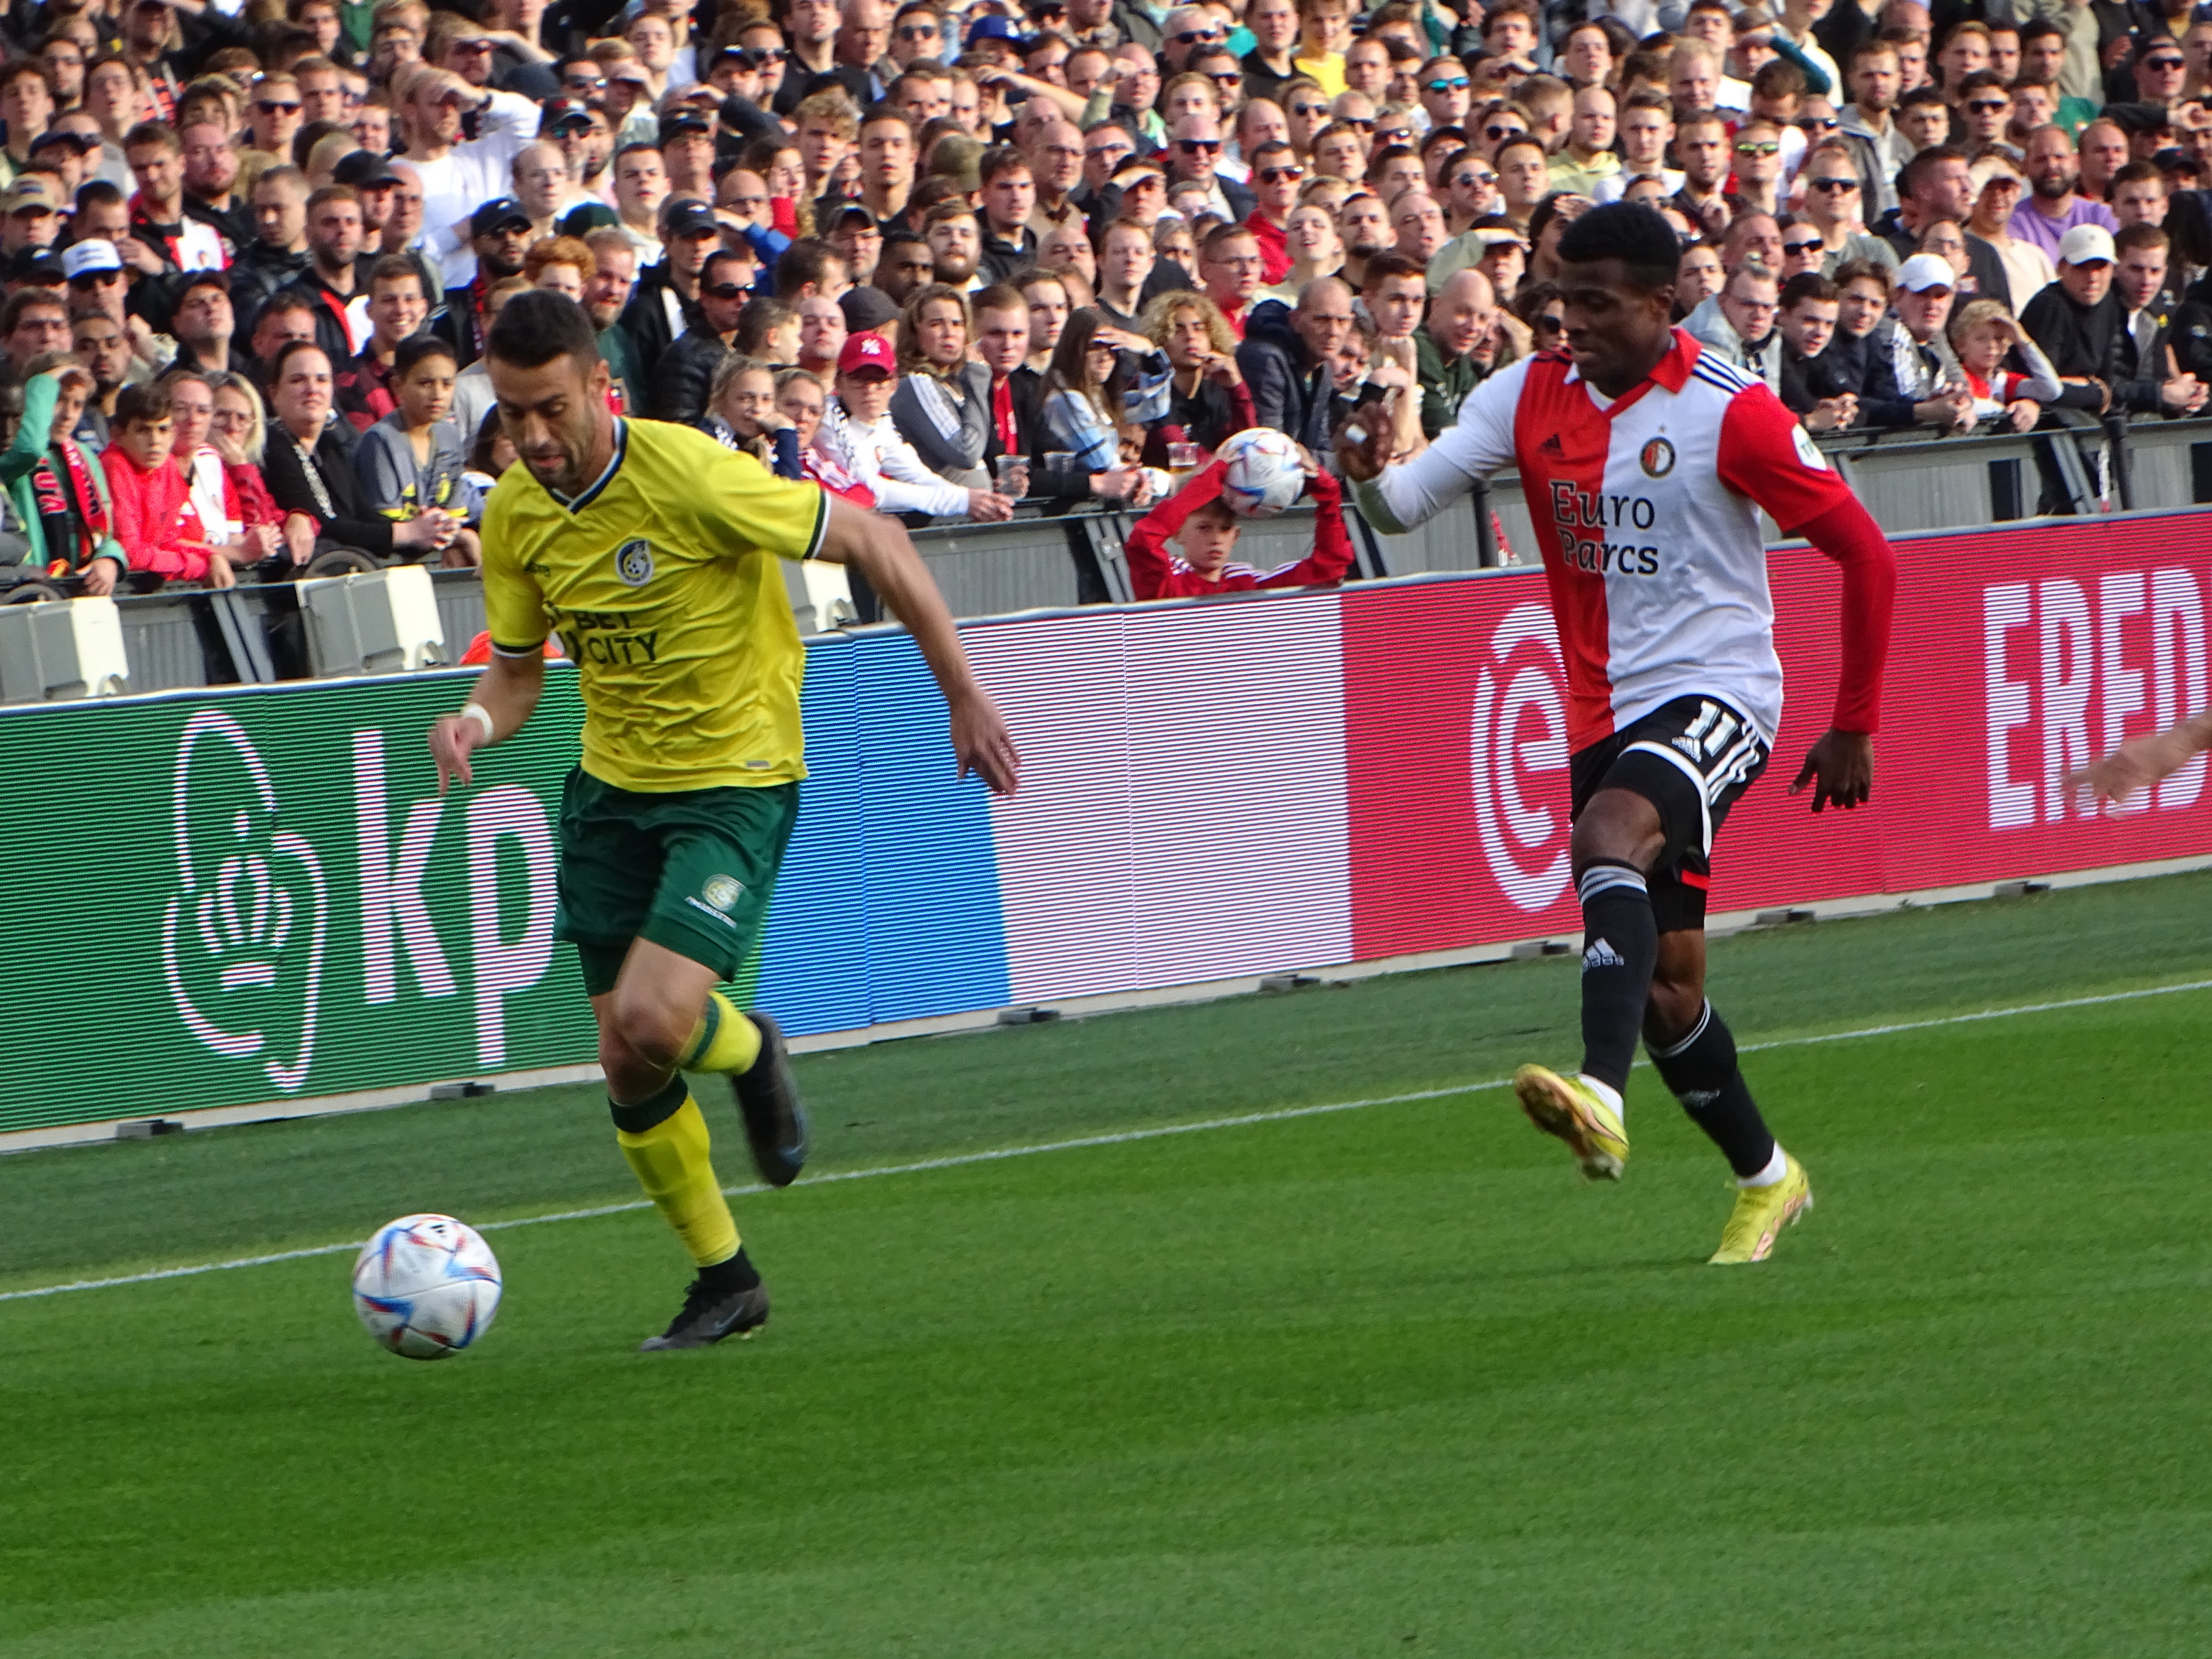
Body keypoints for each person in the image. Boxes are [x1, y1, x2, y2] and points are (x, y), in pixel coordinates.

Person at [427, 289, 1017, 1349]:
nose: (532, 437)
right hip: (612, 789)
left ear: (601, 388)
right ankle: (725, 1280)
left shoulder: (691, 474)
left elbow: (879, 541)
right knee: (624, 1058)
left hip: (735, 776)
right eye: (513, 415)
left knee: (657, 1019)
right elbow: (518, 677)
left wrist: (962, 694)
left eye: (551, 409)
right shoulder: (515, 512)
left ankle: (750, 1053)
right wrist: (475, 719)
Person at [1336, 202, 1899, 1264]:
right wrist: (1364, 463)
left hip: (1721, 691)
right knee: (1669, 989)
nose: (1569, 324)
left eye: (1595, 304)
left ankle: (1598, 1094)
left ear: (1664, 302)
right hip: (1605, 705)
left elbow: (1868, 555)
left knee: (1605, 837)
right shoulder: (1526, 393)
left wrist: (1853, 724)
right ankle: (1769, 1179)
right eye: (1558, 301)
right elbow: (1400, 508)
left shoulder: (1733, 412)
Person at [262, 339, 456, 560]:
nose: (312, 389)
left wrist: (423, 527)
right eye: (298, 380)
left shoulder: (329, 444)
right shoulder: (272, 447)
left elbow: (361, 514)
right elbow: (323, 527)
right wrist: (407, 533)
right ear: (274, 393)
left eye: (322, 380)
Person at [1123, 452, 1352, 597]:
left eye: (1224, 529)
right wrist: (1207, 483)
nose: (1216, 539)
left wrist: (1328, 493)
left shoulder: (1246, 582)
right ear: (1177, 532)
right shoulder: (1168, 582)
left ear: (1235, 536)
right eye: (1204, 527)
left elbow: (1328, 568)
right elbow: (1143, 542)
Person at [357, 334, 481, 566]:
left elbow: (454, 512)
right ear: (398, 386)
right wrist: (461, 536)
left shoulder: (449, 435)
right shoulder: (380, 440)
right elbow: (390, 523)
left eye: (447, 384)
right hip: (394, 560)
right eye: (425, 383)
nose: (438, 395)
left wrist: (457, 533)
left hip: (442, 549)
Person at [100, 380, 227, 586]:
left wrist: (211, 556)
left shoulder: (167, 465)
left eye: (163, 430)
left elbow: (167, 539)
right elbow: (130, 553)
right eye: (143, 430)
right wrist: (199, 566)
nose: (155, 441)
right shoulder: (113, 466)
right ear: (118, 436)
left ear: (173, 433)